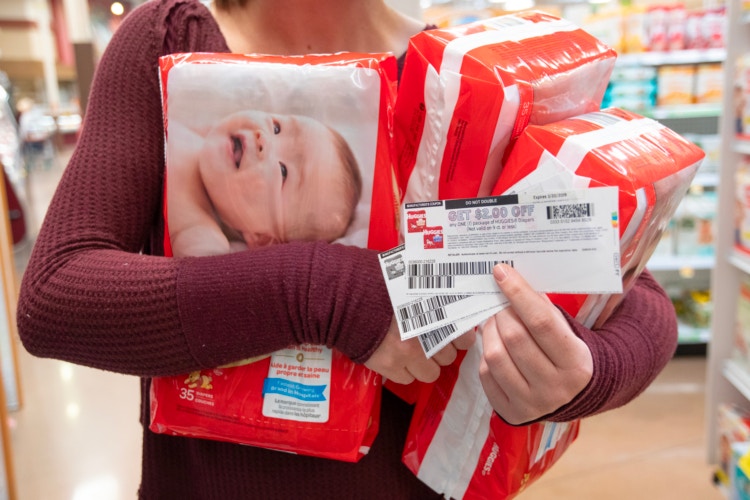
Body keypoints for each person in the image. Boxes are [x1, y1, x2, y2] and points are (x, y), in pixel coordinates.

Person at [16, 0, 678, 498]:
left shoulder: (464, 78)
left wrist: (584, 373)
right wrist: (329, 292)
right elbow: (58, 295)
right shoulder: (167, 42)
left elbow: (634, 292)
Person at [166, 109, 362, 257]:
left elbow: (190, 289)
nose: (264, 139)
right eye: (277, 128)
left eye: (283, 171)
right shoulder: (198, 128)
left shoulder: (202, 236)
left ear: (262, 238)